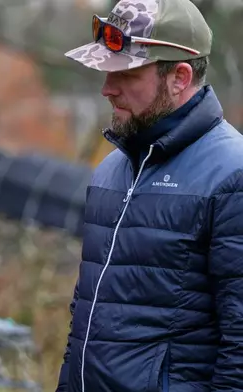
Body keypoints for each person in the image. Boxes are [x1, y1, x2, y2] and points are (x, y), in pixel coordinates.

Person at [57, 0, 243, 391]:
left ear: (179, 76)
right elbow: (85, 321)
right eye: (107, 72)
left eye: (127, 74)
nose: (107, 89)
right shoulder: (111, 170)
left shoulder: (232, 174)